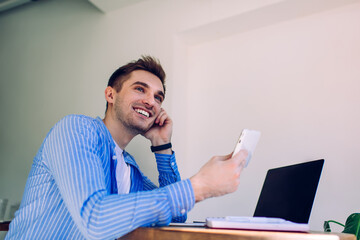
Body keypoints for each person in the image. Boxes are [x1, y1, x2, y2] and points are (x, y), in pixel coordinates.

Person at [6, 56, 247, 240]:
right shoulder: (77, 129)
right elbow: (95, 218)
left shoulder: (130, 170)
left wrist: (162, 146)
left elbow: (176, 217)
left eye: (158, 97)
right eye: (140, 89)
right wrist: (200, 186)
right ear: (110, 94)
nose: (151, 101)